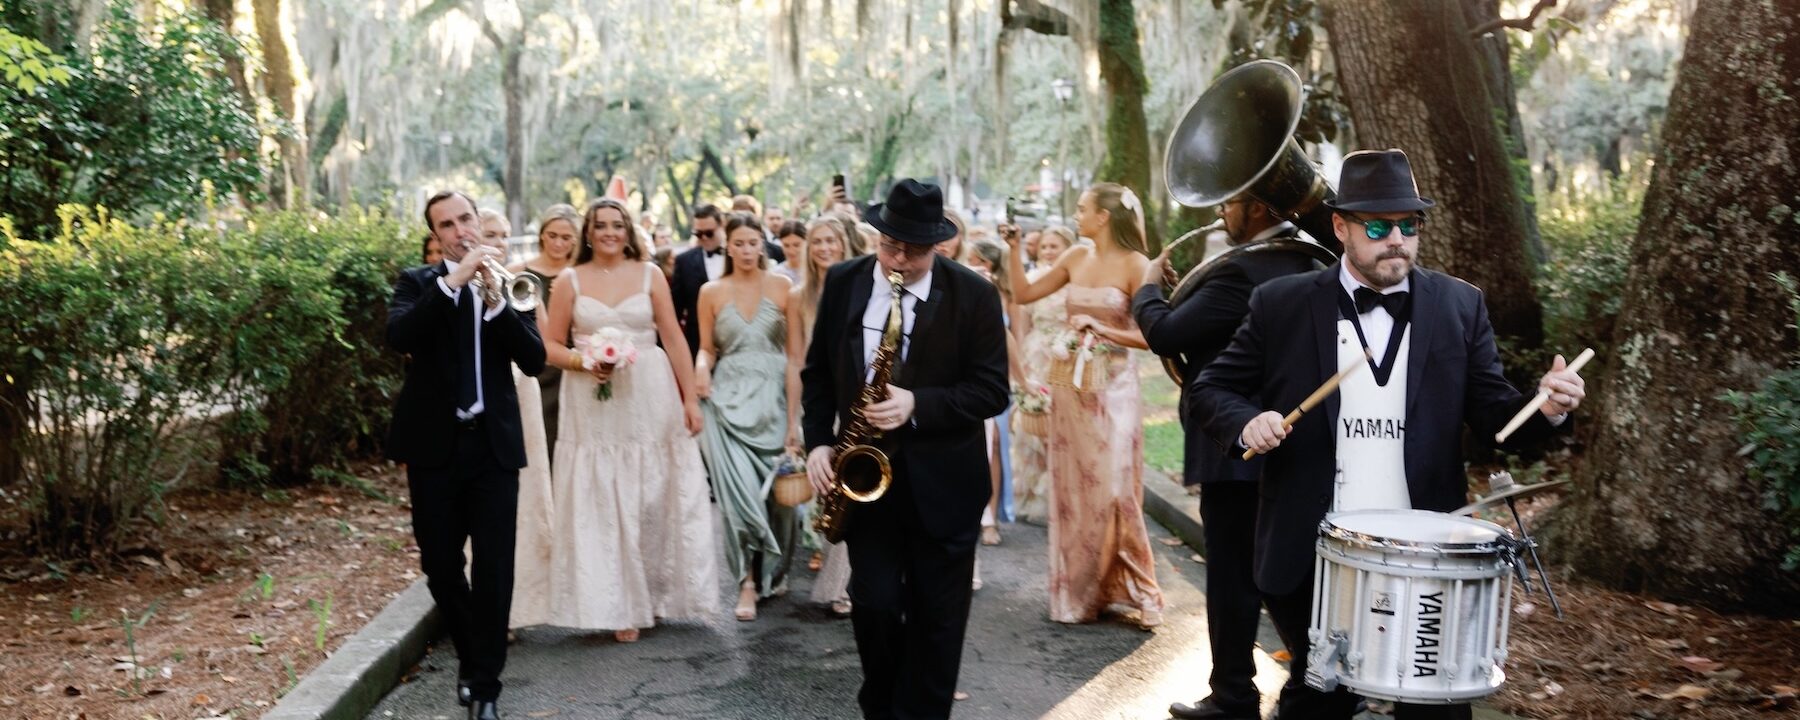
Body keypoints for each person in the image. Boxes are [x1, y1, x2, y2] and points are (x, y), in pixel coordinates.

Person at [1194, 149, 1586, 720]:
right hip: (1313, 548)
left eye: (1409, 225)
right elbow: (1212, 388)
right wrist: (1245, 420)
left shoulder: (1460, 304)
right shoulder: (1281, 304)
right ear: (1340, 226)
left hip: (1427, 553)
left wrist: (1547, 407)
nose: (1396, 239)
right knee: (1318, 699)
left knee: (1436, 707)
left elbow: (1498, 418)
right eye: (1378, 227)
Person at [802, 179, 1009, 719]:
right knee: (873, 606)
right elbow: (818, 373)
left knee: (937, 623)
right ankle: (884, 703)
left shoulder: (975, 294)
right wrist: (819, 444)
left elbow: (992, 390)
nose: (899, 259)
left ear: (938, 245)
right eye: (890, 245)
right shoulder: (845, 281)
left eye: (914, 251)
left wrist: (918, 403)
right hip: (865, 484)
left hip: (946, 485)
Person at [1134, 195, 1320, 720]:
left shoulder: (1244, 269)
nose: (1221, 212)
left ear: (1260, 207)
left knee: (1235, 577)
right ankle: (1309, 686)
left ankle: (1236, 694)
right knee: (1281, 575)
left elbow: (1166, 333)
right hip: (1287, 443)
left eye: (1232, 202)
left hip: (1235, 443)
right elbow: (1216, 326)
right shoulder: (1304, 258)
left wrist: (1148, 287)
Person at [386, 191, 546, 720]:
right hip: (436, 449)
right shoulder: (418, 284)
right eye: (447, 225)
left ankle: (484, 686)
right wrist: (454, 283)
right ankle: (475, 658)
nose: (460, 231)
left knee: (495, 568)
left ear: (479, 222)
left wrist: (496, 298)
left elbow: (534, 359)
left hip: (494, 446)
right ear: (437, 236)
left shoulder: (510, 285)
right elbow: (400, 336)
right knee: (440, 565)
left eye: (466, 219)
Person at [539, 197, 717, 644]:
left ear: (628, 229)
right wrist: (584, 362)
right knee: (602, 498)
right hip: (592, 402)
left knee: (651, 495)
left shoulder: (651, 274)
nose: (609, 233)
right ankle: (617, 604)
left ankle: (656, 595)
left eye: (617, 225)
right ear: (588, 232)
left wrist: (690, 401)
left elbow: (674, 339)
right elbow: (549, 347)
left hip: (649, 395)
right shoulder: (568, 281)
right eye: (600, 226)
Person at [1005, 183, 1164, 628]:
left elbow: (1153, 336)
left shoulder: (1138, 265)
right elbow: (1021, 293)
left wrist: (1103, 329)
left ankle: (1140, 587)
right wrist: (1013, 249)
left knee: (1115, 489)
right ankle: (1083, 592)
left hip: (1115, 390)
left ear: (1105, 216)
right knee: (1076, 491)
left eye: (1082, 209)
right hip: (1070, 388)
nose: (1076, 216)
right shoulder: (1075, 256)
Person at [696, 212, 796, 621]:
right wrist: (701, 367)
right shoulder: (710, 291)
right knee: (739, 500)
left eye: (753, 242)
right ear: (727, 246)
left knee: (780, 500)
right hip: (728, 402)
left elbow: (796, 357)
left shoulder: (784, 286)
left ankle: (772, 571)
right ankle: (746, 584)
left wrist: (795, 419)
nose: (746, 250)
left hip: (774, 398)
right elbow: (706, 347)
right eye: (738, 243)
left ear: (763, 244)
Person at [786, 213, 862, 617]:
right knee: (831, 493)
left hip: (857, 403)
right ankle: (838, 577)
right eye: (818, 241)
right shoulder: (798, 297)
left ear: (844, 244)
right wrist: (794, 423)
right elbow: (797, 360)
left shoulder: (861, 287)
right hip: (821, 404)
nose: (825, 248)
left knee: (858, 488)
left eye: (832, 240)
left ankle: (854, 582)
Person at [1008, 226, 1072, 522]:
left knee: (1062, 426)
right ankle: (1031, 493)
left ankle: (1062, 495)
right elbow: (1021, 326)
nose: (1047, 252)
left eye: (1054, 246)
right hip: (1037, 355)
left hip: (1067, 357)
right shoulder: (1031, 280)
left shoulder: (1076, 281)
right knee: (1032, 427)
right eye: (1044, 246)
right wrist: (1019, 364)